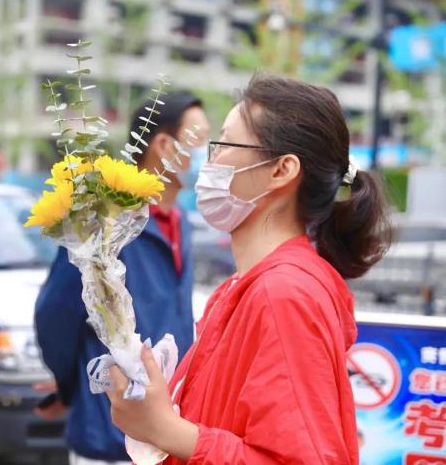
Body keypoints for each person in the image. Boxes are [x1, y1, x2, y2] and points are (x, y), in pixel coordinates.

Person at [105, 75, 391, 464]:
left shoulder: (283, 295)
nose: (210, 162)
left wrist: (165, 429)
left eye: (223, 144)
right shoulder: (248, 286)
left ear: (282, 170)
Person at [34, 92, 211, 465]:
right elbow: (55, 315)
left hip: (169, 433)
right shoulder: (105, 222)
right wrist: (74, 390)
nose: (211, 154)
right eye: (202, 140)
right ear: (164, 145)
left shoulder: (180, 224)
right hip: (110, 438)